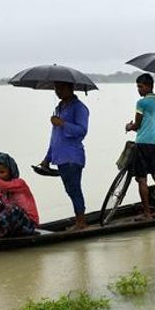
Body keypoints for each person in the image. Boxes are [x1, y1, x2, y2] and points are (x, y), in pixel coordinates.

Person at [40, 81, 89, 230]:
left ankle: (81, 222)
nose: (58, 91)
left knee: (74, 189)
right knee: (70, 190)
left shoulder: (80, 108)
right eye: (56, 88)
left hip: (72, 156)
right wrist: (47, 158)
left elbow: (82, 131)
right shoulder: (59, 108)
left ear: (70, 88)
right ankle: (79, 220)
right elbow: (55, 137)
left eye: (61, 88)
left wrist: (63, 123)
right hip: (60, 156)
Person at [125, 73, 155, 219]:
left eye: (140, 86)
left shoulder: (141, 103)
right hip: (154, 143)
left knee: (141, 179)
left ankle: (147, 213)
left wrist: (129, 126)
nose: (138, 89)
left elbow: (137, 125)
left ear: (148, 86)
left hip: (142, 143)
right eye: (137, 86)